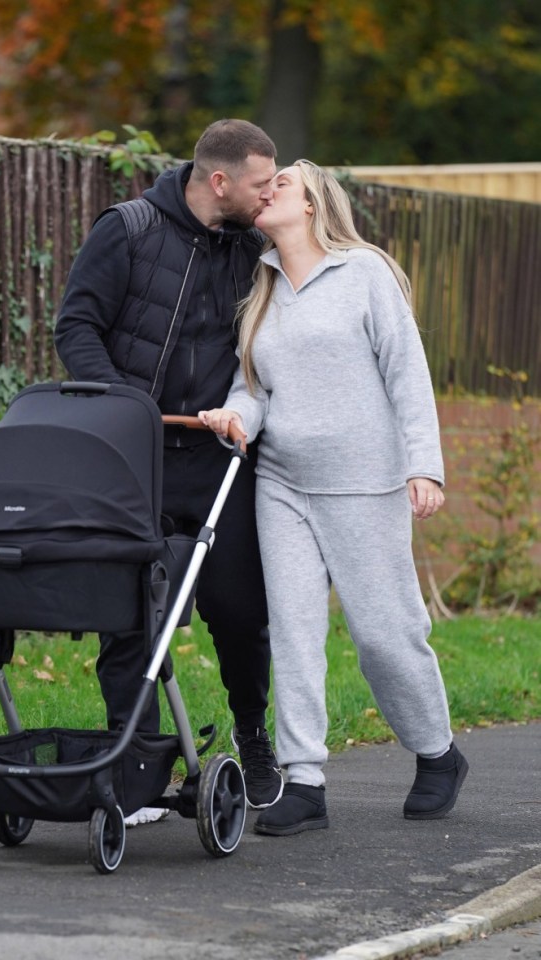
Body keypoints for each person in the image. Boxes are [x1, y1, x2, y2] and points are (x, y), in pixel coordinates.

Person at [199, 159, 468, 837]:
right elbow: (252, 389)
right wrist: (236, 420)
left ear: (314, 204)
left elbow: (407, 371)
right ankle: (305, 780)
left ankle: (436, 751)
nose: (268, 192)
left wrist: (425, 467)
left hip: (363, 483)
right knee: (292, 632)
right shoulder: (261, 285)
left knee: (385, 635)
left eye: (282, 184)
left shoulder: (364, 275)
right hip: (283, 485)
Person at [54, 119, 284, 820]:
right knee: (130, 614)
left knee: (242, 612)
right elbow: (76, 328)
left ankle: (253, 739)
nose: (270, 195)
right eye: (260, 184)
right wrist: (128, 410)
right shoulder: (127, 230)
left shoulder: (256, 252)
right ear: (220, 182)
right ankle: (139, 761)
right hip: (136, 459)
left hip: (220, 463)